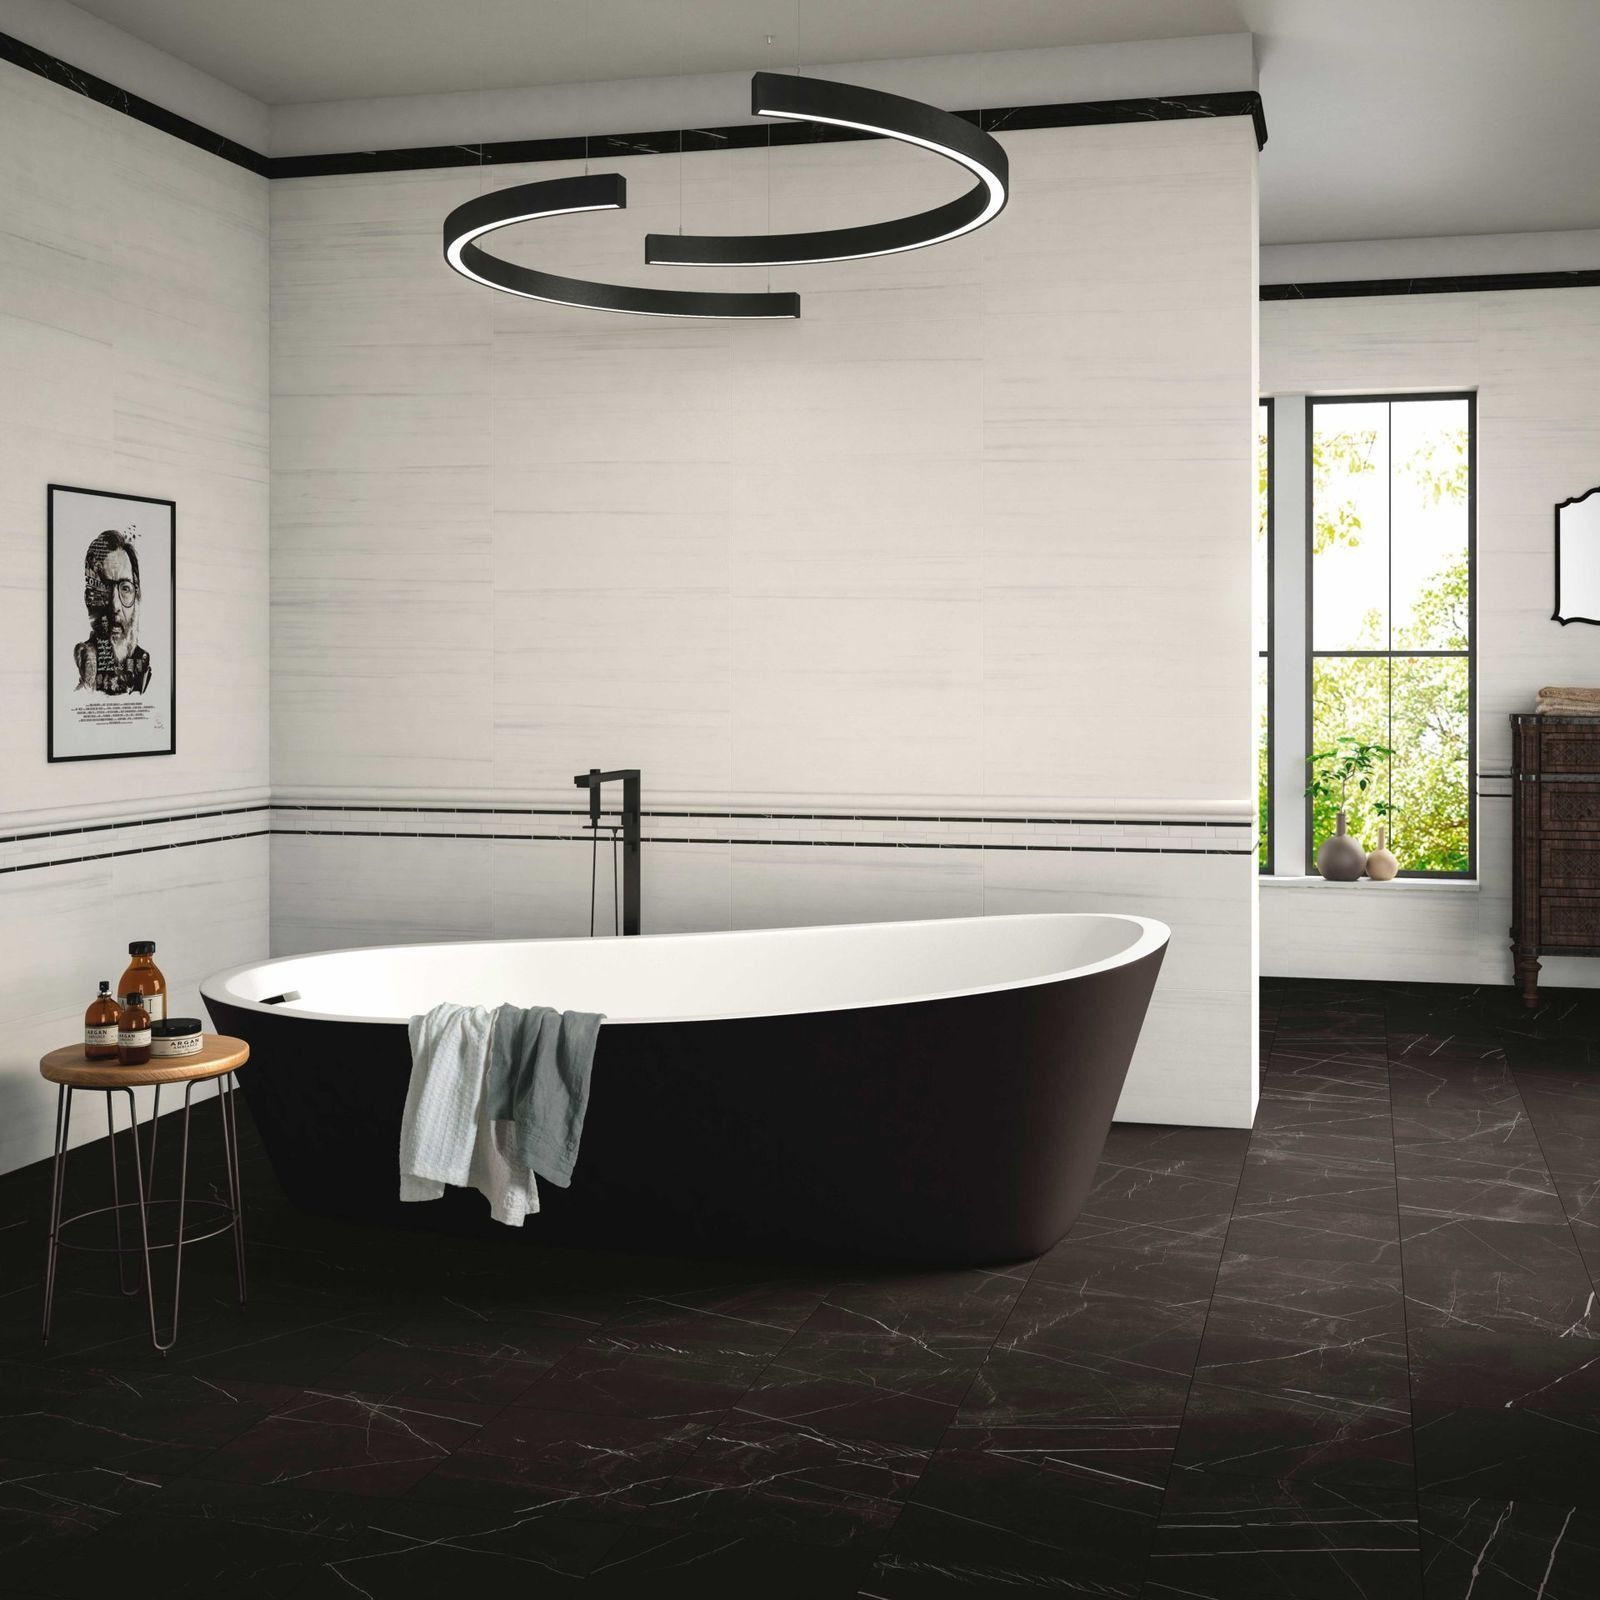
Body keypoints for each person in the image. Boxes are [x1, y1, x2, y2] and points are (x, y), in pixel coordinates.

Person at [74, 530, 151, 695]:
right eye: (105, 588)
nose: (115, 605)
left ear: (136, 597)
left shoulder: (144, 665)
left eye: (125, 588)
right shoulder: (84, 667)